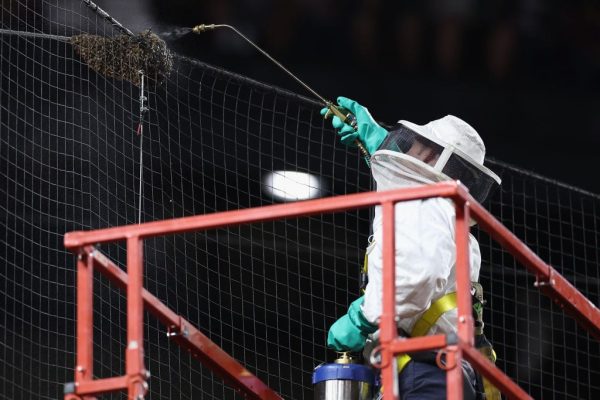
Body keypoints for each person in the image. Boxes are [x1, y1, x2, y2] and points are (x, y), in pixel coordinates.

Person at [321, 97, 502, 399]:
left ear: (431, 155)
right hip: (441, 374)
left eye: (417, 144)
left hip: (424, 375)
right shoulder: (442, 211)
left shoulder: (423, 203)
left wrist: (364, 318)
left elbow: (418, 275)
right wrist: (377, 142)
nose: (407, 149)